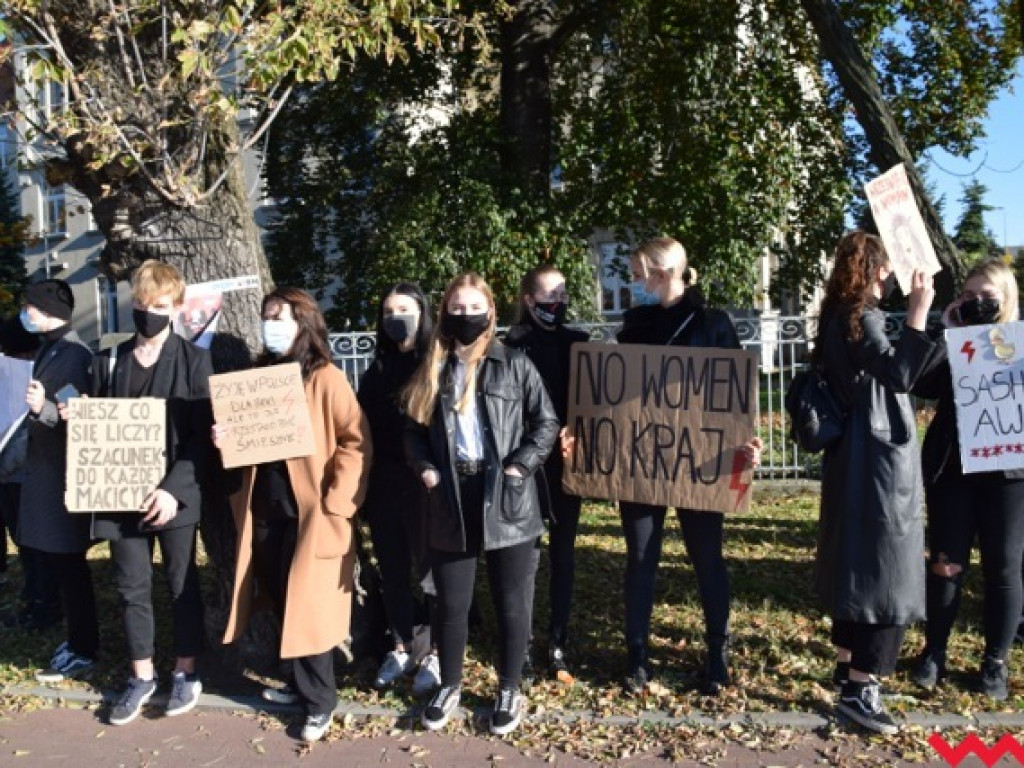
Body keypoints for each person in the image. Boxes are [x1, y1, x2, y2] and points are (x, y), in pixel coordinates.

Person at [403, 273, 558, 735]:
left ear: (491, 312)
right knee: (451, 603)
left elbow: (546, 423)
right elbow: (413, 431)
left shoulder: (514, 364)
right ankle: (450, 684)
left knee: (512, 601)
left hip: (507, 496)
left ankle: (509, 687)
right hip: (451, 495)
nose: (466, 316)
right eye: (457, 307)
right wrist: (425, 468)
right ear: (444, 312)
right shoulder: (433, 367)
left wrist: (520, 466)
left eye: (475, 307)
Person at [219, 287, 372, 743]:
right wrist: (226, 437)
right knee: (282, 598)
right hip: (265, 509)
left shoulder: (326, 377)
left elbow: (356, 441)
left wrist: (337, 502)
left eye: (279, 317)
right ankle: (297, 684)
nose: (270, 325)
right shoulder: (259, 375)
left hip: (310, 512)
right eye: (266, 316)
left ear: (303, 323)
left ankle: (320, 701)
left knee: (310, 605)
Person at [616, 237, 762, 697]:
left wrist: (746, 442)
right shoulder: (634, 326)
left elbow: (737, 392)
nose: (632, 283)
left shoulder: (712, 324)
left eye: (637, 275)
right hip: (644, 459)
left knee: (707, 558)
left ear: (661, 274)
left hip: (698, 460)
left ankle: (717, 653)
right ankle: (637, 656)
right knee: (641, 559)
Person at [814, 231, 937, 734]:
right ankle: (862, 689)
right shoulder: (861, 317)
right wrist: (919, 311)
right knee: (889, 571)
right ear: (874, 269)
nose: (890, 277)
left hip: (855, 456)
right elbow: (899, 374)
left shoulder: (839, 316)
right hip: (878, 461)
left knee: (858, 563)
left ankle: (848, 670)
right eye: (885, 268)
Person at [84, 261, 213, 725]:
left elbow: (201, 439)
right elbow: (94, 427)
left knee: (181, 584)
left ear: (176, 308)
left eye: (159, 305)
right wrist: (73, 415)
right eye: (141, 304)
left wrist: (173, 490)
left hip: (173, 497)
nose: (149, 313)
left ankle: (185, 671)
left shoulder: (195, 361)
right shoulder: (108, 360)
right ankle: (141, 676)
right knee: (130, 587)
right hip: (120, 495)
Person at [910, 258, 1024, 701]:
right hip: (954, 469)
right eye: (970, 295)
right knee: (946, 562)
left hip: (1009, 473)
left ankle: (995, 661)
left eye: (987, 297)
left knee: (1004, 567)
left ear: (1007, 299)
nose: (978, 303)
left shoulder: (1019, 342)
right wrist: (948, 331)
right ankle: (934, 652)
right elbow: (921, 381)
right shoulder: (955, 341)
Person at [504, 265, 588, 681]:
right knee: (526, 558)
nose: (557, 301)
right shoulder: (511, 347)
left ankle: (558, 639)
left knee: (564, 554)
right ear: (529, 300)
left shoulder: (578, 344)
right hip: (526, 465)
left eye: (562, 293)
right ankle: (522, 642)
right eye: (548, 294)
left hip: (567, 463)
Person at [358, 283, 440, 695]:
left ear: (422, 313)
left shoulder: (434, 365)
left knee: (430, 571)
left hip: (425, 485)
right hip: (384, 486)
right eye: (389, 312)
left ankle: (438, 650)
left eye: (404, 310)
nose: (396, 318)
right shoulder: (376, 369)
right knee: (393, 570)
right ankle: (402, 644)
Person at [15, 280, 99, 682]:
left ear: (48, 311)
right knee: (62, 566)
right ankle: (77, 640)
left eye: (30, 306)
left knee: (71, 566)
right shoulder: (50, 348)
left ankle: (84, 647)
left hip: (62, 479)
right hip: (46, 475)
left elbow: (78, 417)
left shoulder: (74, 355)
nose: (26, 313)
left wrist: (42, 408)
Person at [0, 313, 52, 620]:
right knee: (23, 543)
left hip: (26, 474)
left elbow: (26, 431)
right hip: (11, 475)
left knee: (35, 546)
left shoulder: (39, 372)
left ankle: (43, 601)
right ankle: (33, 596)